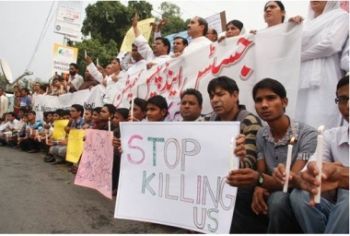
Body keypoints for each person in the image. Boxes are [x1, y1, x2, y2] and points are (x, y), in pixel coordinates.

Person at [229, 78, 317, 233]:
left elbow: (292, 180)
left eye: (270, 98)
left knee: (278, 200)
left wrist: (260, 180)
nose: (264, 105)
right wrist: (258, 187)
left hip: (296, 192)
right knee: (237, 191)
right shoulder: (262, 134)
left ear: (284, 102)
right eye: (259, 100)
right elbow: (261, 169)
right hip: (271, 189)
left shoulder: (307, 134)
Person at [206, 76, 266, 233]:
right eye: (212, 96)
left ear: (235, 95)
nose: (215, 100)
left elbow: (249, 164)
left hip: (241, 182)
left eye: (220, 94)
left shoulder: (249, 121)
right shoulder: (208, 121)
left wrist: (238, 158)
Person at [290, 75, 349, 234]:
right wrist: (305, 176)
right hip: (336, 209)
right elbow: (313, 171)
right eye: (343, 99)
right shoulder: (330, 136)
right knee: (299, 195)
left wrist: (342, 176)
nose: (348, 105)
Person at [295, 1, 349, 129]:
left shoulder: (341, 16)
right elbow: (291, 47)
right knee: (300, 120)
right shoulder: (305, 25)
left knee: (322, 120)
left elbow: (331, 44)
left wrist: (300, 55)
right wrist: (291, 28)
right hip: (302, 78)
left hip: (327, 77)